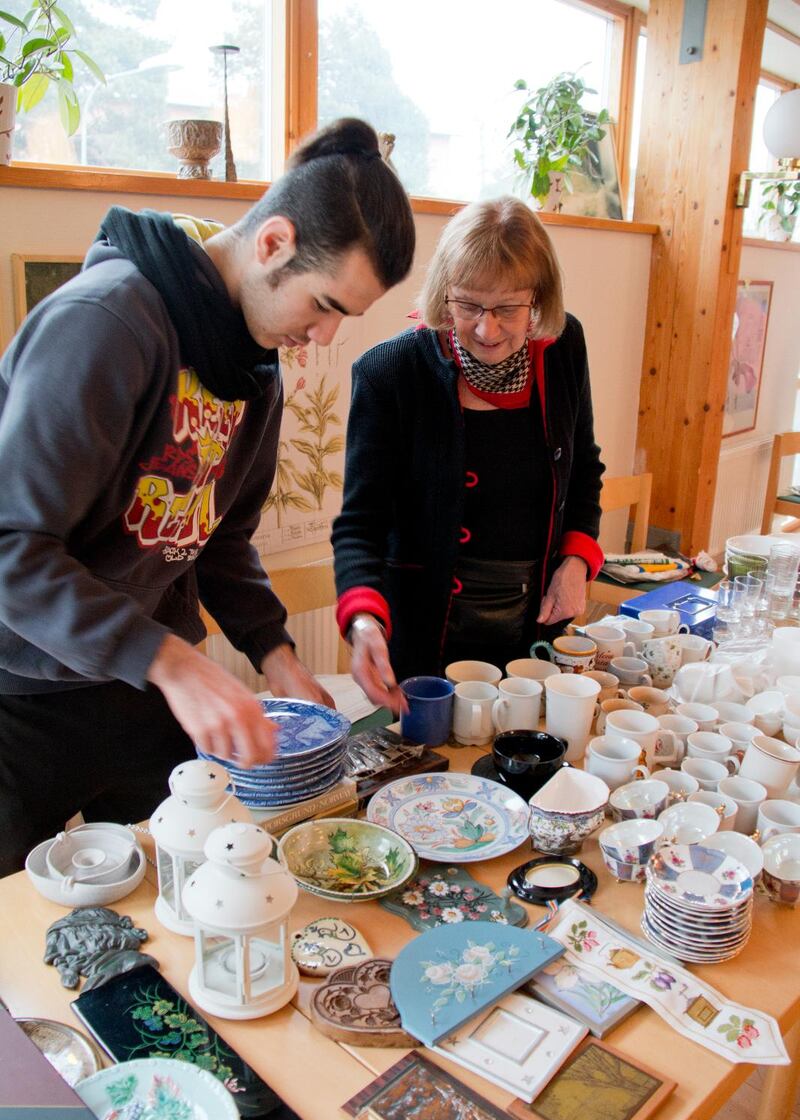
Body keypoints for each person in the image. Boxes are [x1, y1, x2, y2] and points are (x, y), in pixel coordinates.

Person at [0, 117, 415, 875]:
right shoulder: (104, 323)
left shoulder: (253, 366)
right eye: (324, 306)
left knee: (182, 896)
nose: (324, 339)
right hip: (21, 693)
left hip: (138, 689)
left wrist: (277, 654)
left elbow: (220, 537)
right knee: (21, 949)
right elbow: (10, 550)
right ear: (272, 244)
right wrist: (176, 661)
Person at [332, 196, 604, 711]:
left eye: (508, 308)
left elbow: (583, 467)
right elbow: (359, 524)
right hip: (424, 636)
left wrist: (576, 560)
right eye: (468, 305)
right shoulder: (390, 373)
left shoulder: (564, 347)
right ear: (443, 294)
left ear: (538, 299)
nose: (487, 329)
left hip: (533, 627)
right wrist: (363, 618)